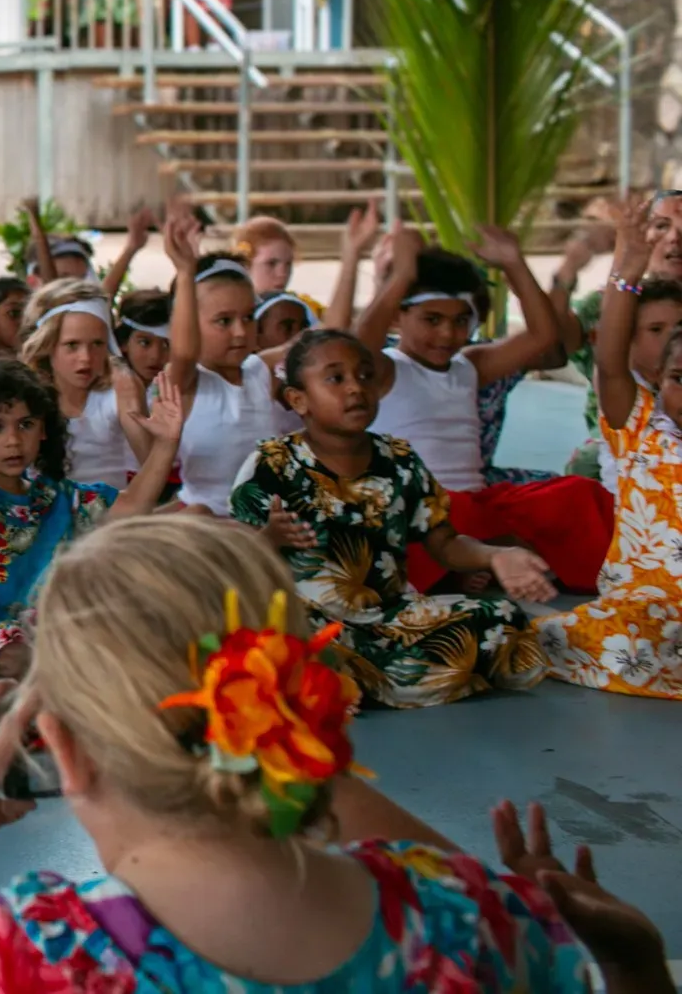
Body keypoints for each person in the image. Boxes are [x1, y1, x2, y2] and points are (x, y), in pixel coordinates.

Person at [0, 514, 653, 994]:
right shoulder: (477, 919)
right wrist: (635, 966)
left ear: (64, 749)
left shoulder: (18, 955)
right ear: (297, 703)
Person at [229, 330, 551, 709]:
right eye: (336, 378)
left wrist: (494, 557)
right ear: (298, 400)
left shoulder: (399, 459)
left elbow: (445, 544)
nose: (355, 389)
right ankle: (362, 681)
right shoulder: (272, 463)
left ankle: (357, 685)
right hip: (311, 625)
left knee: (501, 616)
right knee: (284, 647)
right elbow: (236, 555)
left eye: (365, 376)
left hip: (389, 619)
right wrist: (270, 537)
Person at [356, 226, 612, 593]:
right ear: (399, 317)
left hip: (480, 503)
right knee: (430, 516)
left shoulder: (470, 365)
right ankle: (487, 559)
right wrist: (402, 276)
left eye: (460, 321)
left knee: (577, 494)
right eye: (432, 320)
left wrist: (514, 264)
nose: (447, 334)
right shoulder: (384, 369)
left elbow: (543, 337)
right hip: (421, 507)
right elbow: (358, 344)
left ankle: (496, 556)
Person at [0, 358, 184, 687]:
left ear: (43, 428)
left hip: (59, 632)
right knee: (14, 658)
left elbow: (132, 506)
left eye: (26, 424)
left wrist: (166, 443)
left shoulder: (57, 497)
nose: (13, 441)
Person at [541, 198, 682, 699]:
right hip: (645, 603)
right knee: (630, 636)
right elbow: (611, 362)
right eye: (679, 379)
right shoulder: (638, 423)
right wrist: (627, 266)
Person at [160, 214, 295, 513]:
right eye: (224, 321)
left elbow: (319, 342)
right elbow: (183, 352)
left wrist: (352, 257)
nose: (240, 331)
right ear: (190, 325)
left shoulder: (261, 372)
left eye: (248, 317)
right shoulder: (186, 382)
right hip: (205, 525)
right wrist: (185, 272)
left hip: (265, 522)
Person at [17, 279, 149, 487]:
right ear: (48, 345)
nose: (86, 358)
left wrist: (131, 405)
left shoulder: (118, 390)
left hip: (110, 513)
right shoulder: (28, 395)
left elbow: (150, 465)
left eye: (97, 344)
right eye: (72, 345)